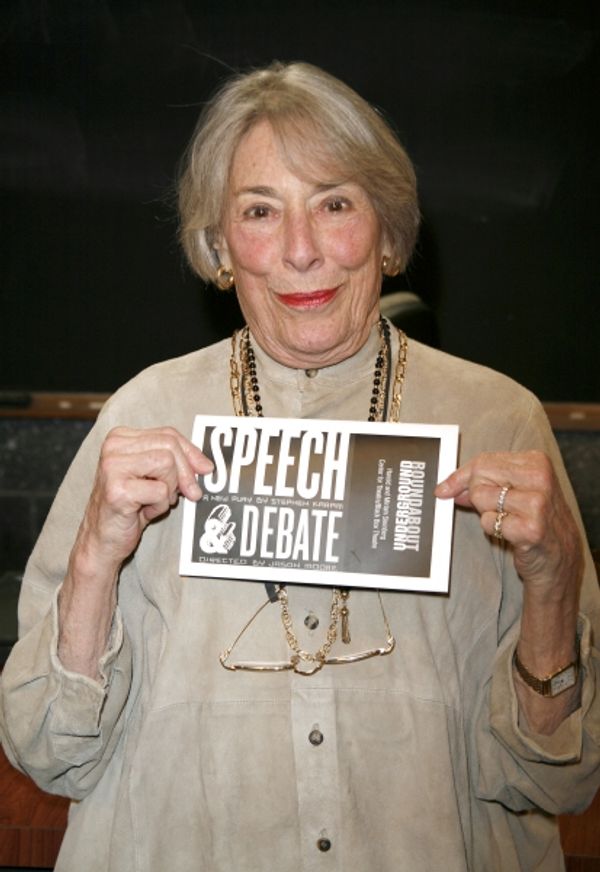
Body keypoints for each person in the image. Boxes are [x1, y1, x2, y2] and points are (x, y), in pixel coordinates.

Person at [1, 61, 599, 872]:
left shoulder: (497, 422)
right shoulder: (143, 416)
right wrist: (94, 558)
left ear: (387, 234)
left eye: (335, 205)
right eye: (259, 211)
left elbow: (561, 779)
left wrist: (555, 578)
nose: (301, 251)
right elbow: (46, 752)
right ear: (220, 249)